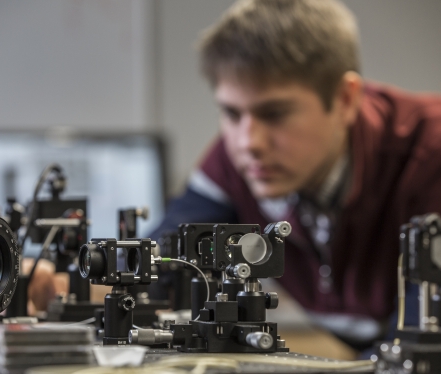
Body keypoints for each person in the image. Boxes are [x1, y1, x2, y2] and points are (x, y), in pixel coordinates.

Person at [150, 0, 441, 352]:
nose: (248, 142)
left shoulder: (429, 155)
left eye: (274, 113)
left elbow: (424, 340)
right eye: (231, 112)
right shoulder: (236, 160)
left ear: (346, 99)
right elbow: (158, 266)